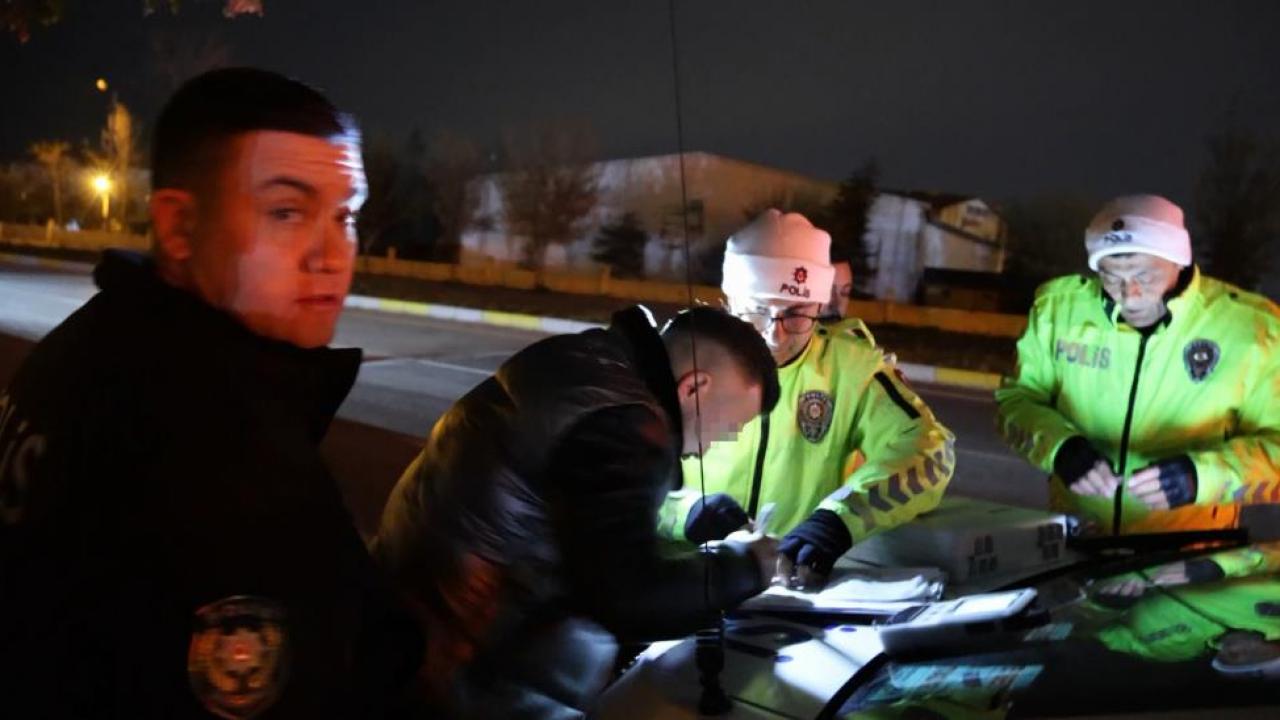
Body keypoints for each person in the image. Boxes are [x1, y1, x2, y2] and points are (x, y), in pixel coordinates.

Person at [0, 68, 420, 718]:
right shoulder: (227, 457)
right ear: (179, 226)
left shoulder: (95, 338)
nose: (332, 254)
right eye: (286, 212)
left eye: (345, 216)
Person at [374, 305, 781, 718]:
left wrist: (688, 512)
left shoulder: (589, 364)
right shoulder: (624, 425)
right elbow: (630, 597)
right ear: (694, 387)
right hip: (462, 671)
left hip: (402, 622)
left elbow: (575, 504)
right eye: (729, 428)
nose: (710, 448)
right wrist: (746, 565)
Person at [660, 209, 956, 590]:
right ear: (729, 299)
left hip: (788, 587)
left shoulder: (852, 371)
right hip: (681, 582)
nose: (774, 335)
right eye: (756, 311)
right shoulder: (685, 355)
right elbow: (615, 476)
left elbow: (930, 453)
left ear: (819, 306)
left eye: (795, 315)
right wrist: (686, 512)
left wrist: (839, 518)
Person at [996, 194, 1280, 535]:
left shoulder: (1253, 329)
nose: (1129, 294)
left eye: (1145, 275)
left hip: (1191, 547)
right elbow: (1016, 401)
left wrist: (1202, 477)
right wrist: (1059, 448)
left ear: (1179, 261)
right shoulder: (1057, 310)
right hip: (1076, 536)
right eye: (1110, 276)